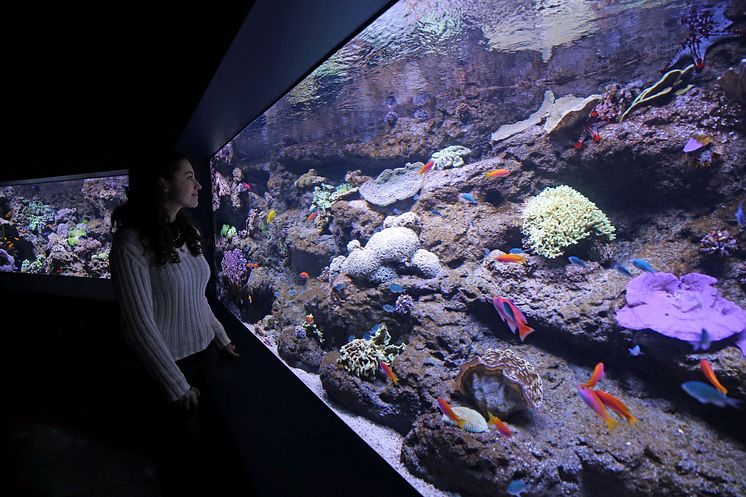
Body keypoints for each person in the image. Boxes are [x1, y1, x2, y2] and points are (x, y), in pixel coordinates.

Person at [109, 149, 247, 495]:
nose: (199, 184)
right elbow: (138, 326)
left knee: (214, 462)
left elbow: (196, 296)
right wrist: (175, 385)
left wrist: (220, 337)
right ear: (162, 184)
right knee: (183, 467)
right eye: (188, 177)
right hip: (171, 371)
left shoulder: (185, 230)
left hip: (205, 359)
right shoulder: (130, 244)